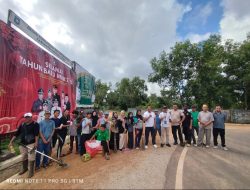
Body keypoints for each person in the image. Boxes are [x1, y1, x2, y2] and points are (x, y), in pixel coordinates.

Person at [9, 113, 39, 178]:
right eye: (26, 117)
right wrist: (11, 141)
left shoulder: (35, 124)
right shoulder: (22, 124)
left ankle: (31, 171)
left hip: (31, 143)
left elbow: (36, 134)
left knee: (31, 157)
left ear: (31, 117)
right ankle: (24, 168)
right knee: (24, 156)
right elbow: (17, 133)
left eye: (28, 117)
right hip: (22, 144)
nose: (26, 118)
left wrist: (36, 142)